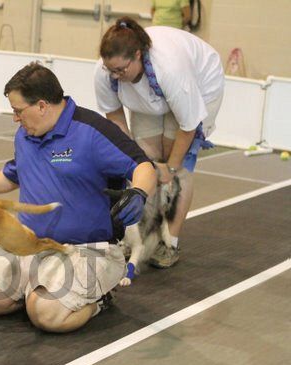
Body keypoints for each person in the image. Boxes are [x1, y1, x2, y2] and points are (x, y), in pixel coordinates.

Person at [0, 63, 156, 333]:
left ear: (42, 105)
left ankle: (98, 299)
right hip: (30, 243)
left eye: (18, 111)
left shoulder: (92, 131)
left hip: (87, 249)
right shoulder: (27, 134)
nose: (15, 119)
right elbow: (15, 173)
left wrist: (138, 193)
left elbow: (143, 166)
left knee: (46, 315)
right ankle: (39, 293)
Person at [94, 17, 224, 268]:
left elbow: (187, 127)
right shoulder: (106, 72)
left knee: (177, 168)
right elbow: (115, 117)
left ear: (138, 55)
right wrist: (139, 162)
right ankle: (139, 235)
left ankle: (169, 243)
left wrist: (170, 168)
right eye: (112, 71)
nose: (116, 75)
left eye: (122, 70)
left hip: (200, 84)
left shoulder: (171, 69)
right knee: (145, 162)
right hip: (147, 95)